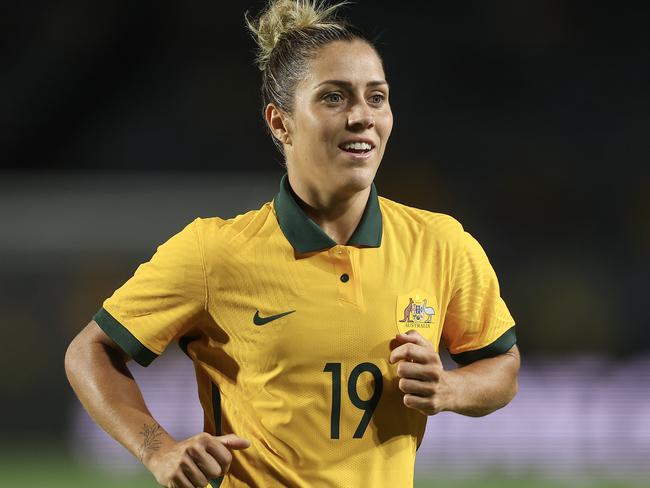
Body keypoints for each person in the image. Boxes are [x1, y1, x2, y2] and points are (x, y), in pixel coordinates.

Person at [64, 1, 520, 487]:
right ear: (280, 122)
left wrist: (449, 388)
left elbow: (501, 368)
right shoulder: (213, 252)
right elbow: (90, 351)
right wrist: (157, 449)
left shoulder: (441, 243)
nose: (362, 116)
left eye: (376, 97)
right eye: (334, 97)